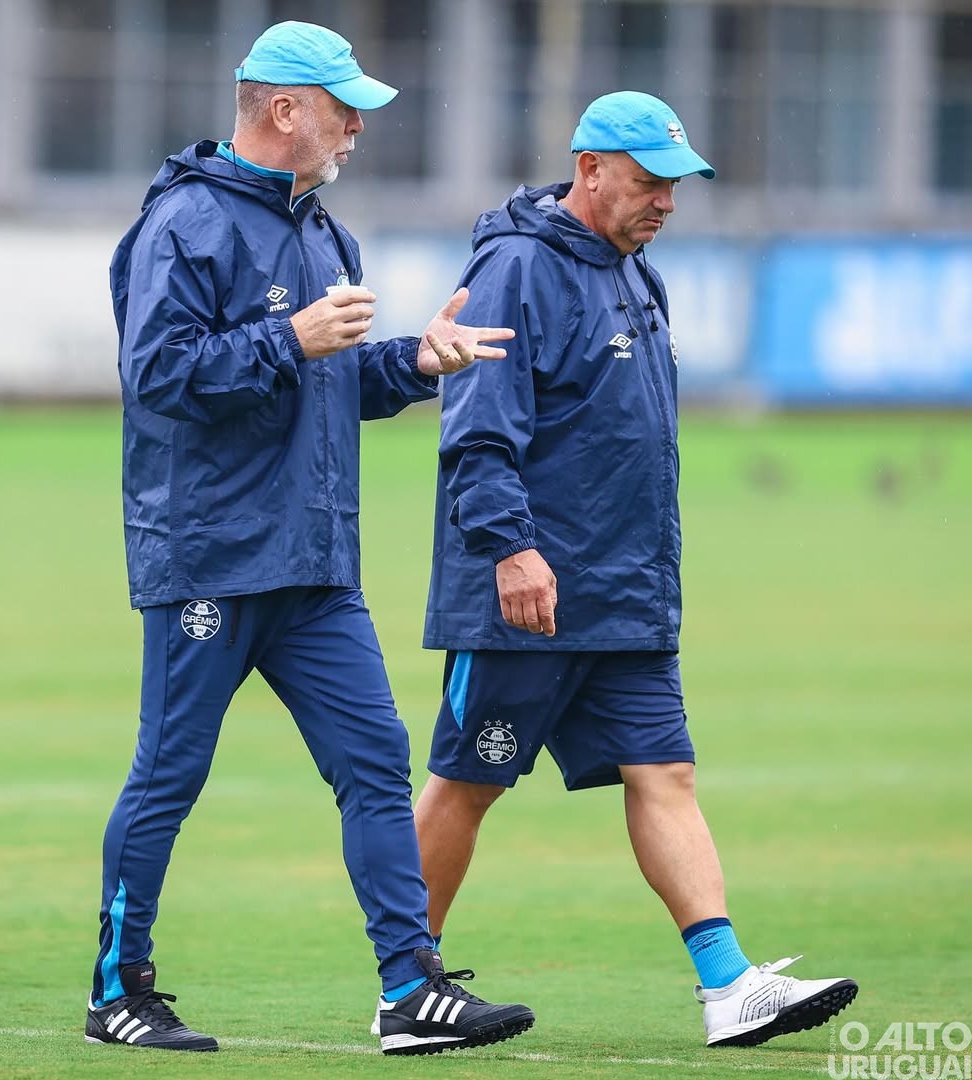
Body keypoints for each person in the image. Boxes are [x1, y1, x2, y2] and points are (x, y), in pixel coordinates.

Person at [84, 20, 535, 1057]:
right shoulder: (184, 224)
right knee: (171, 774)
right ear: (284, 109)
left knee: (378, 765)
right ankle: (118, 991)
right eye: (344, 106)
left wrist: (417, 365)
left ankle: (408, 990)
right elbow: (159, 377)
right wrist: (288, 337)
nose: (359, 124)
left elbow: (328, 384)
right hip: (209, 556)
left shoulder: (326, 233)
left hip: (317, 564)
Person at [412, 91, 859, 1048]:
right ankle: (408, 985)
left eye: (676, 186)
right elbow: (478, 431)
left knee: (668, 774)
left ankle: (728, 985)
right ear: (591, 169)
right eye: (650, 182)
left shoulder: (632, 270)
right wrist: (510, 549)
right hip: (526, 596)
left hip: (626, 593)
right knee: (467, 784)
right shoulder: (517, 268)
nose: (665, 202)